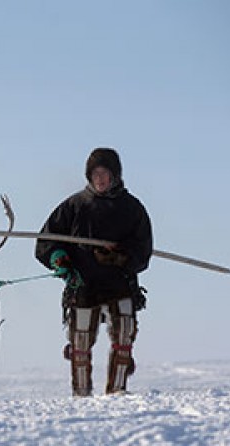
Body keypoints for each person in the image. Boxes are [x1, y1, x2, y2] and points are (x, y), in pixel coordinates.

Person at [35, 148, 153, 396]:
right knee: (80, 340)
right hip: (83, 283)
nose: (100, 179)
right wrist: (60, 261)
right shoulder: (74, 206)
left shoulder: (132, 208)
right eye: (95, 173)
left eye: (105, 173)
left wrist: (122, 257)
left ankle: (117, 391)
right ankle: (81, 395)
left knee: (124, 334)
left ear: (115, 175)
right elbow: (46, 242)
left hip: (120, 283)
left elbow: (143, 249)